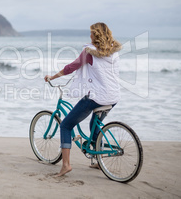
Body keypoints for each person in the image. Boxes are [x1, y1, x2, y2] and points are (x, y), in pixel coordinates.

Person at [44, 22, 122, 177]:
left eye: (92, 33)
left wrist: (52, 77)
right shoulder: (114, 52)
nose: (90, 35)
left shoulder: (89, 53)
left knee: (66, 125)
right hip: (113, 96)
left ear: (96, 35)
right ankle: (98, 159)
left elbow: (70, 68)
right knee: (95, 123)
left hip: (97, 97)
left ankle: (66, 165)